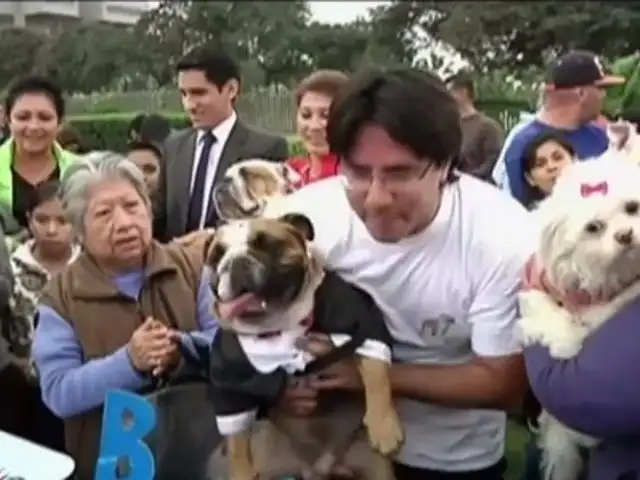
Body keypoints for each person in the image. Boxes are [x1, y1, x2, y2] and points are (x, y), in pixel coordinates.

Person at [263, 67, 533, 479]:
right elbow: (242, 324)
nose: (376, 198)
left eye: (400, 173)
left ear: (443, 165)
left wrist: (368, 377)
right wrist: (278, 390)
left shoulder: (500, 234)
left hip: (449, 458)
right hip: (326, 448)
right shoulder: (301, 222)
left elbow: (503, 383)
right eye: (356, 171)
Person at [31, 151, 219, 479]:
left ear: (148, 209)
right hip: (110, 468)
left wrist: (182, 350)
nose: (124, 223)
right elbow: (59, 391)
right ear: (78, 229)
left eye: (132, 206)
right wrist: (130, 362)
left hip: (203, 459)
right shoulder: (60, 299)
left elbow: (228, 347)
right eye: (103, 213)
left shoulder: (192, 269)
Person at [155, 46, 289, 242]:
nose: (189, 105)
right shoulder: (173, 146)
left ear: (231, 89)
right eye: (184, 94)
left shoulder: (265, 149)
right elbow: (160, 219)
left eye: (199, 93)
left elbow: (266, 230)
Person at [503, 50, 625, 206]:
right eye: (600, 89)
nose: (603, 96)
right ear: (581, 94)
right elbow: (515, 210)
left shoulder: (600, 134)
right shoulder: (522, 143)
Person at [0, 76, 79, 228]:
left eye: (45, 117)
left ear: (60, 123)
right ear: (8, 120)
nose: (34, 126)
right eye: (23, 117)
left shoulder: (80, 170)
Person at [287, 69, 349, 186]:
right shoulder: (289, 174)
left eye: (325, 116)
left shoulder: (359, 180)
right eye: (306, 115)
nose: (314, 126)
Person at [446, 72, 505, 183]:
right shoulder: (449, 126)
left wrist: (467, 179)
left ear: (463, 92)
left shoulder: (488, 127)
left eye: (449, 92)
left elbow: (494, 162)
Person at [519, 132, 577, 210]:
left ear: (574, 159)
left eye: (558, 158)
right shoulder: (532, 220)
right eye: (540, 164)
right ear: (530, 179)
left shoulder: (597, 200)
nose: (551, 166)